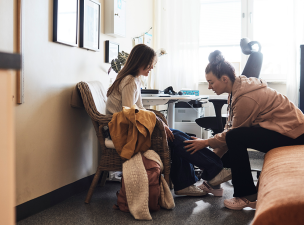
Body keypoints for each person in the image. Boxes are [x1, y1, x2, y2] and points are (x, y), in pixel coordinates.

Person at [184, 50, 304, 210]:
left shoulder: (246, 98)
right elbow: (229, 128)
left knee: (234, 138)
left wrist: (205, 143)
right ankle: (214, 183)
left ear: (224, 79)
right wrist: (211, 162)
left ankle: (246, 195)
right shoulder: (236, 91)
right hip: (284, 131)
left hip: (294, 135)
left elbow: (232, 135)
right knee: (233, 137)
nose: (209, 86)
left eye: (211, 82)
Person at [106, 44, 232, 197]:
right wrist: (158, 123)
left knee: (179, 135)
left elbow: (139, 109)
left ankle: (192, 180)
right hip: (123, 131)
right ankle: (210, 172)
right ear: (140, 61)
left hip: (132, 127)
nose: (152, 67)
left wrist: (159, 123)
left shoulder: (135, 80)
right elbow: (129, 113)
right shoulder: (129, 81)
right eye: (151, 63)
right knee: (177, 138)